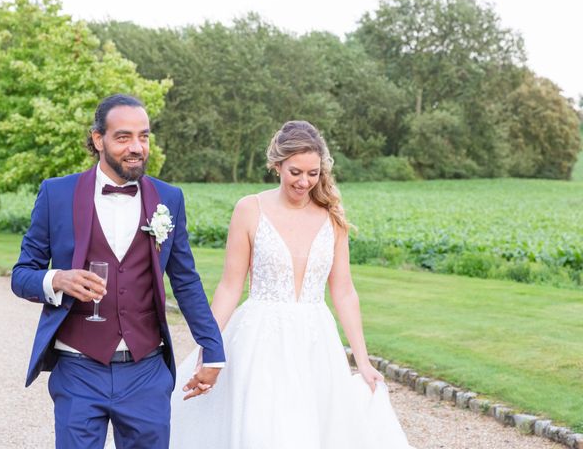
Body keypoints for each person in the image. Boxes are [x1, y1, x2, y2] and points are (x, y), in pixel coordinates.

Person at [169, 121, 413, 448]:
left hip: (316, 341)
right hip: (259, 340)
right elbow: (230, 287)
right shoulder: (249, 209)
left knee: (310, 431)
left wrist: (363, 361)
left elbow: (343, 291)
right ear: (277, 165)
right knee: (261, 430)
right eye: (295, 172)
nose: (304, 182)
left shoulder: (332, 217)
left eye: (313, 174)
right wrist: (208, 348)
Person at [11, 94, 225, 449]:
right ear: (99, 140)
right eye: (124, 137)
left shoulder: (168, 199)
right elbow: (22, 274)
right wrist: (57, 279)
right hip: (78, 368)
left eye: (144, 136)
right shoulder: (56, 194)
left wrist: (213, 349)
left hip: (146, 370)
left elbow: (185, 281)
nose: (137, 147)